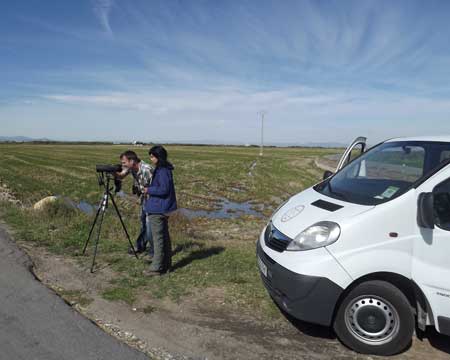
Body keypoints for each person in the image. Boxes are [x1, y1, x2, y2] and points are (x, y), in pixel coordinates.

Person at [143, 145, 177, 276]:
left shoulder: (162, 170)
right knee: (164, 238)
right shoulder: (165, 169)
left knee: (158, 240)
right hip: (163, 207)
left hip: (158, 208)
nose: (151, 159)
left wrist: (148, 190)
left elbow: (164, 189)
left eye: (152, 156)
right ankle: (166, 265)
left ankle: (156, 267)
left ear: (158, 157)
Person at [116, 150, 154, 256]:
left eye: (124, 162)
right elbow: (121, 175)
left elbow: (154, 188)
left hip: (152, 200)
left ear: (132, 161)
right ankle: (140, 246)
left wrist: (149, 204)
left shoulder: (146, 169)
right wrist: (112, 171)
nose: (123, 165)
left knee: (149, 225)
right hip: (144, 198)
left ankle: (154, 252)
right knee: (143, 224)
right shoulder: (131, 168)